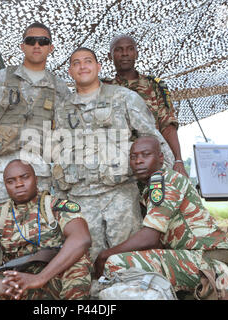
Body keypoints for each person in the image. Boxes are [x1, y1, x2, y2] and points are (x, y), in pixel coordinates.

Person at [52, 47, 175, 262]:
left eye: (88, 61)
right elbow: (56, 150)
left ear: (98, 67)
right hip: (80, 198)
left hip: (120, 196)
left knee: (127, 260)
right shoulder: (62, 109)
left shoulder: (124, 98)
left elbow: (152, 138)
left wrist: (170, 178)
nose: (82, 66)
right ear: (70, 72)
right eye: (76, 63)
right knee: (88, 263)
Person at [94, 136, 228, 298]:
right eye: (133, 157)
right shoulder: (148, 187)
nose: (138, 161)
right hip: (200, 258)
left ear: (161, 158)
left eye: (146, 154)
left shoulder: (166, 181)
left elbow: (150, 237)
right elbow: (156, 242)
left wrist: (104, 256)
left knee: (115, 263)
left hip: (211, 261)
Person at [0, 22, 70, 241]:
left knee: (42, 231)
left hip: (40, 172)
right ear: (23, 46)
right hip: (0, 172)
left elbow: (66, 137)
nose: (37, 45)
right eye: (31, 41)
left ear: (51, 47)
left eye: (43, 41)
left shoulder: (59, 89)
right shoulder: (1, 80)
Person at [0, 160, 92, 300]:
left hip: (56, 277)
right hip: (18, 283)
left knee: (78, 267)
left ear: (36, 179)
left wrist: (40, 278)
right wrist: (0, 286)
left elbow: (81, 239)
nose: (19, 184)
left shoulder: (56, 207)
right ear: (5, 186)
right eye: (11, 181)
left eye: (25, 177)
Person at [103, 35, 188, 177]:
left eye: (130, 49)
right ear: (109, 56)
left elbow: (168, 126)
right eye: (119, 50)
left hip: (151, 163)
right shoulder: (103, 89)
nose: (125, 54)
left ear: (137, 53)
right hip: (117, 166)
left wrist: (178, 160)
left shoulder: (154, 87)